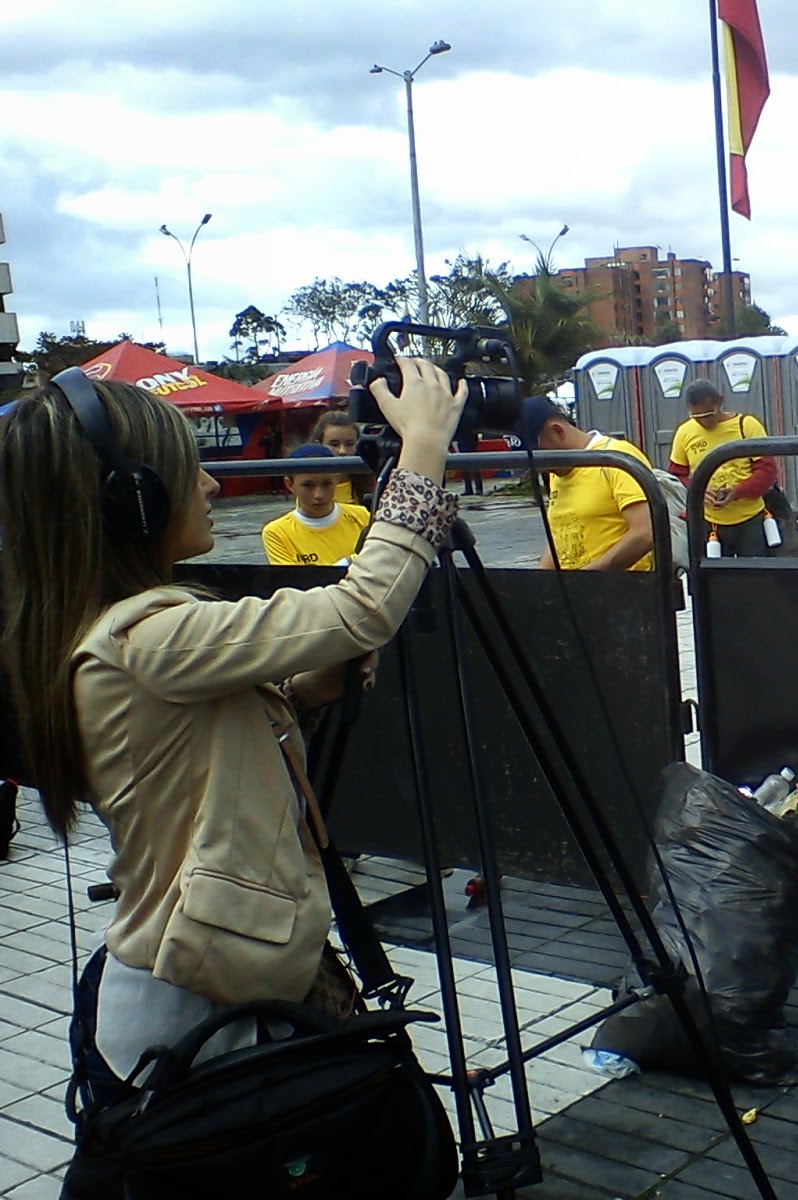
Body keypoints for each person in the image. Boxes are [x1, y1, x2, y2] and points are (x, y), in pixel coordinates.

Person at [0, 360, 464, 1138]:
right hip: (202, 1007)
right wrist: (423, 447)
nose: (213, 487)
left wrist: (308, 687)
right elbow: (364, 607)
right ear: (132, 503)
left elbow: (199, 741)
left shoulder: (114, 633)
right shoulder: (150, 635)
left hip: (197, 981)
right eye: (194, 472)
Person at [518, 395, 655, 571]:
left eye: (539, 456)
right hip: (576, 591)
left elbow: (645, 533)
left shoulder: (615, 459)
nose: (539, 469)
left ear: (558, 431)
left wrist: (588, 578)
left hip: (621, 589)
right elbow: (561, 537)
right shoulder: (557, 471)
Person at [667, 379, 778, 557]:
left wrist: (736, 492)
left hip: (749, 518)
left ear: (720, 401)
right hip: (708, 522)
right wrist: (699, 490)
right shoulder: (684, 432)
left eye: (709, 414)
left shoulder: (747, 425)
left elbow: (767, 471)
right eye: (696, 417)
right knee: (715, 578)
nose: (704, 421)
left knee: (755, 578)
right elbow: (677, 474)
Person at [260, 443, 371, 566]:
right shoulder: (276, 532)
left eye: (326, 484)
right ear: (289, 484)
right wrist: (349, 561)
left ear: (337, 480)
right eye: (308, 485)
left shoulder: (362, 515)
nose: (319, 495)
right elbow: (290, 581)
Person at [309, 409, 368, 506]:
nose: (342, 451)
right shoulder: (308, 485)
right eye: (334, 444)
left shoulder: (369, 483)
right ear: (318, 445)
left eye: (349, 444)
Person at [453, 427, 484, 496]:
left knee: (473, 467)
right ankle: (469, 489)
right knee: (465, 468)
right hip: (464, 441)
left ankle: (477, 489)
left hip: (470, 442)